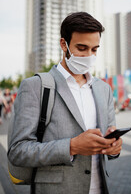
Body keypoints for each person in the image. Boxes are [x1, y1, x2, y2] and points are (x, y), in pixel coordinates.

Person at [8, 12, 122, 194]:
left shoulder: (103, 89)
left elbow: (109, 138)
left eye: (94, 49)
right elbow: (18, 151)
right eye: (82, 48)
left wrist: (113, 147)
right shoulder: (34, 86)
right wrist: (72, 146)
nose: (89, 56)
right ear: (64, 44)